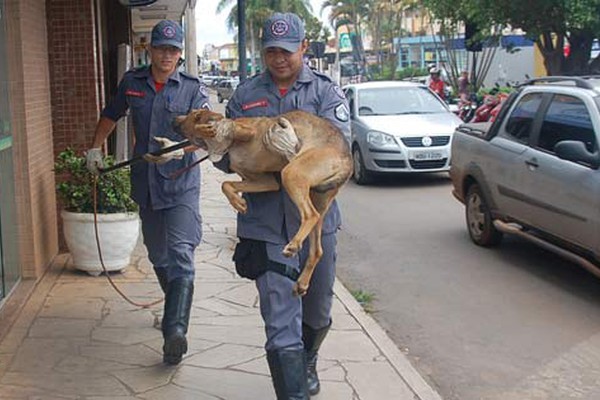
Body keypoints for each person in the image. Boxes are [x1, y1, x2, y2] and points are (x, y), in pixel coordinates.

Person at [219, 12, 350, 400]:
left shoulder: (326, 93)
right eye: (272, 51)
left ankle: (307, 358)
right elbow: (226, 152)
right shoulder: (244, 96)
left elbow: (339, 154)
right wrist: (230, 162)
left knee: (318, 308)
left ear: (304, 49)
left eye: (288, 51)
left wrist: (291, 155)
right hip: (263, 223)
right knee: (279, 317)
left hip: (315, 224)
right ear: (263, 52)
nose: (280, 59)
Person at [85, 20, 210, 365]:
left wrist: (177, 150)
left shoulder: (191, 89)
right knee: (159, 255)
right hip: (147, 183)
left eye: (173, 50)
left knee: (181, 251)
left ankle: (175, 331)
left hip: (181, 183)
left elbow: (205, 135)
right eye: (161, 49)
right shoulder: (133, 82)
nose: (166, 55)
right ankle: (174, 310)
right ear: (149, 50)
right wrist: (96, 149)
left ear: (180, 54)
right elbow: (111, 115)